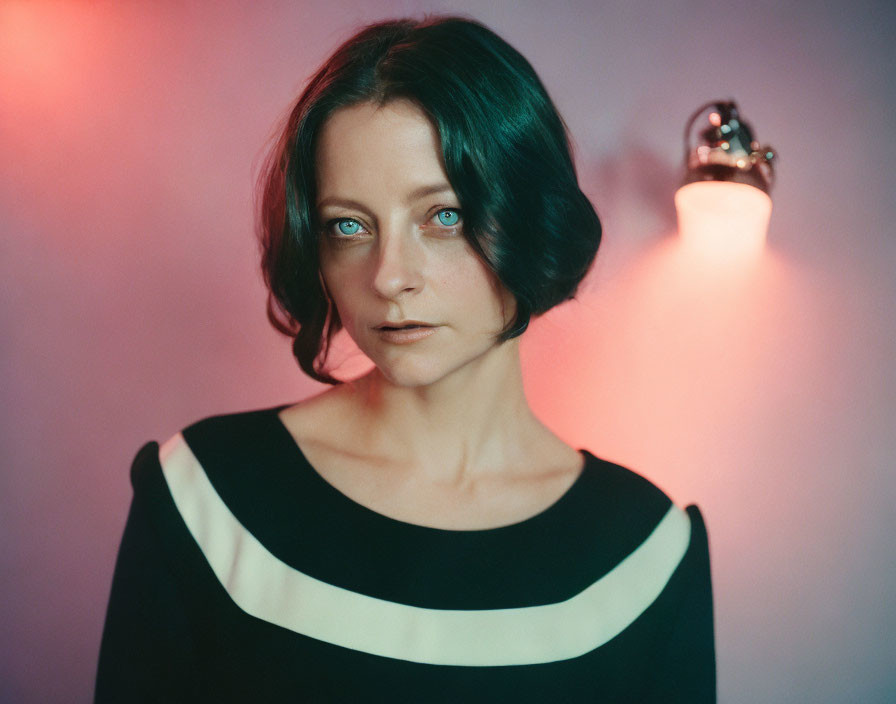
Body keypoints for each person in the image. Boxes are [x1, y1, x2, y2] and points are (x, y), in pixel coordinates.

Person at [95, 15, 715, 702]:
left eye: (442, 215)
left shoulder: (648, 554)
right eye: (349, 226)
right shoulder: (202, 497)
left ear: (530, 217)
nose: (390, 276)